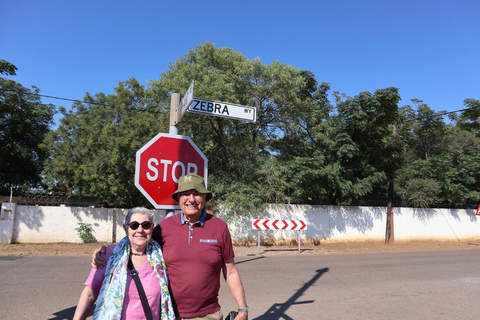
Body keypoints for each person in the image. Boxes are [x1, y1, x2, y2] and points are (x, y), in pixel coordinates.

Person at [94, 174, 248, 320]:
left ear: (205, 197)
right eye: (186, 194)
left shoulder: (219, 228)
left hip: (207, 314)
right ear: (178, 199)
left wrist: (243, 308)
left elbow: (231, 271)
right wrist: (106, 251)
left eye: (197, 193)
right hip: (167, 312)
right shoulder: (164, 228)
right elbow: (137, 241)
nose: (191, 199)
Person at [74, 207, 175, 320]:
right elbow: (89, 295)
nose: (140, 230)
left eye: (146, 225)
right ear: (125, 228)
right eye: (134, 225)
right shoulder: (109, 255)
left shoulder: (161, 257)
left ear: (152, 228)